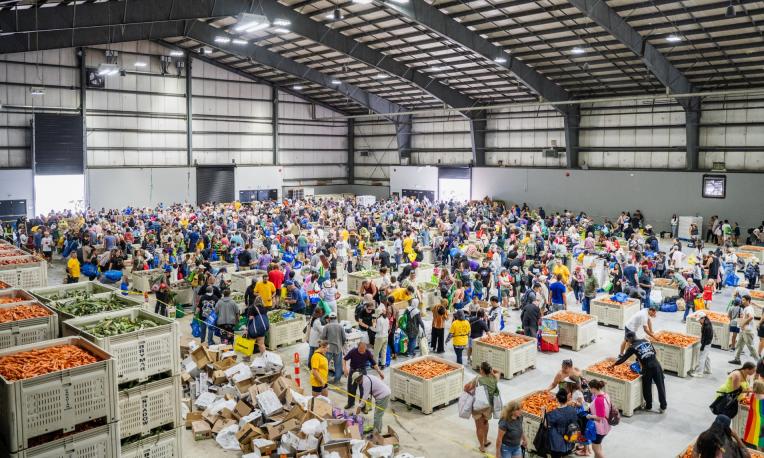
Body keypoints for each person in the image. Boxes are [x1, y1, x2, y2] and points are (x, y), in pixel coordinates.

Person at [613, 331, 667, 413]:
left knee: (647, 387)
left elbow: (623, 358)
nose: (628, 342)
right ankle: (663, 407)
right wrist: (640, 358)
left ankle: (649, 406)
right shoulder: (646, 340)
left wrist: (613, 365)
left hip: (647, 368)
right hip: (656, 366)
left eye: (627, 340)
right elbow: (654, 352)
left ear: (630, 338)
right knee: (661, 386)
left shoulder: (632, 347)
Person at [464, 361, 501, 453]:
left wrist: (470, 393)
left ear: (481, 370)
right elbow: (499, 371)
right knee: (485, 423)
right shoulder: (494, 379)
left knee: (479, 427)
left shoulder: (478, 379)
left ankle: (482, 446)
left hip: (479, 405)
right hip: (489, 406)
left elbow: (466, 388)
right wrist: (492, 372)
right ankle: (485, 440)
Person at [343, 341, 384, 409]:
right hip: (353, 371)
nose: (362, 352)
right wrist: (345, 369)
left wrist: (380, 372)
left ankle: (363, 406)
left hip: (362, 372)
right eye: (360, 350)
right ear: (358, 347)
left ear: (365, 348)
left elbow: (374, 363)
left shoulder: (367, 352)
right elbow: (344, 359)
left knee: (363, 390)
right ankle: (350, 403)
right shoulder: (353, 351)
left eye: (363, 350)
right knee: (351, 389)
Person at [544, 389, 580, 458]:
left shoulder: (554, 413)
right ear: (567, 399)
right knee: (565, 454)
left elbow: (546, 425)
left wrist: (543, 413)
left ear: (557, 399)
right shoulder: (572, 410)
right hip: (570, 438)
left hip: (557, 442)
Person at [730, 295, 759, 365]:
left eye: (743, 300)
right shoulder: (747, 308)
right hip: (744, 330)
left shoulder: (748, 308)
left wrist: (743, 324)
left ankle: (760, 363)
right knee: (740, 344)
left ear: (748, 301)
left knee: (751, 347)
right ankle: (737, 359)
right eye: (742, 300)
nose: (742, 301)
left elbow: (751, 317)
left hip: (747, 331)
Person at [586, 380, 611, 458]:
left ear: (594, 388)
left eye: (590, 388)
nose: (589, 390)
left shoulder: (598, 400)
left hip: (599, 428)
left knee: (596, 449)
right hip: (606, 425)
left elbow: (600, 416)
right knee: (598, 447)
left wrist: (589, 416)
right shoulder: (605, 395)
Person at [320, 312, 346, 384]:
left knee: (325, 364)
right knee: (338, 365)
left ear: (329, 318)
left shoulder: (327, 326)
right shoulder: (340, 326)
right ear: (336, 318)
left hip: (328, 349)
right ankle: (337, 380)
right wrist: (341, 344)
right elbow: (344, 338)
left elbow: (322, 337)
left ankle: (323, 378)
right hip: (338, 348)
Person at [690, 311, 714, 377]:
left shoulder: (706, 326)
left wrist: (702, 347)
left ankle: (699, 373)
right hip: (708, 343)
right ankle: (709, 370)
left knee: (701, 358)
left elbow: (705, 338)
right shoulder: (707, 322)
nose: (699, 321)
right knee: (706, 357)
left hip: (706, 343)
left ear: (703, 318)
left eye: (699, 320)